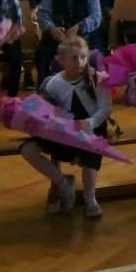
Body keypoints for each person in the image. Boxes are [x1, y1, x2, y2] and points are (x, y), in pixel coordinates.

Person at [19, 37, 111, 218]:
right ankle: (63, 183)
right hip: (64, 130)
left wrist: (89, 123)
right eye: (74, 58)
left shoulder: (97, 78)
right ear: (61, 61)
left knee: (90, 157)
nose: (80, 62)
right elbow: (45, 110)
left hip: (91, 128)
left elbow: (106, 108)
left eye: (83, 57)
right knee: (28, 149)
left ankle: (90, 197)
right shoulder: (52, 84)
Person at [35, 0, 102, 83]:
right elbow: (43, 13)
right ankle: (46, 87)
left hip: (84, 35)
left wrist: (80, 27)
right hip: (58, 35)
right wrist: (51, 28)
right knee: (42, 52)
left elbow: (96, 17)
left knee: (94, 54)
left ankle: (89, 87)